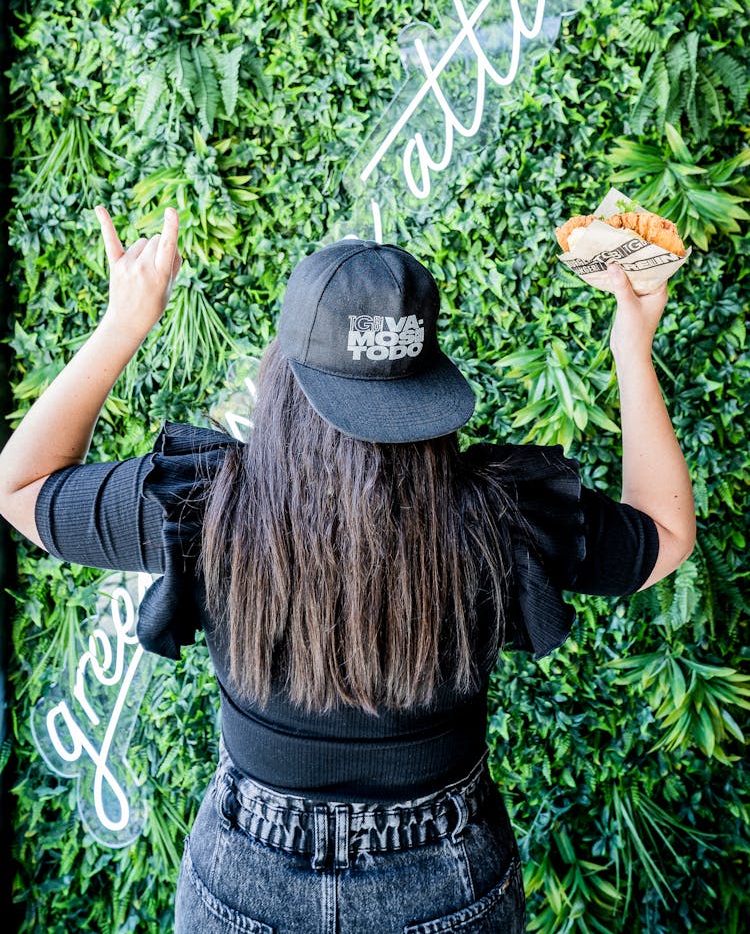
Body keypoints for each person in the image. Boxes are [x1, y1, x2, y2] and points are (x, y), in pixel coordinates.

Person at [0, 206, 695, 934]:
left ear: (285, 373)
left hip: (244, 884)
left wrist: (125, 320)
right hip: (448, 883)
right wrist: (631, 346)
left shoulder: (206, 503)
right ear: (426, 385)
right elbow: (667, 532)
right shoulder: (501, 512)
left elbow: (21, 488)